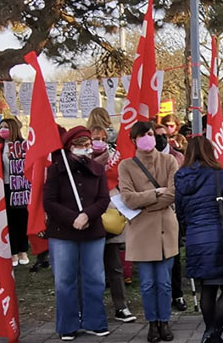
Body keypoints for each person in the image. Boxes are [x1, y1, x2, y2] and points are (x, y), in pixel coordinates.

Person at [174, 136, 223, 343]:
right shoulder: (219, 175)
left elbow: (180, 212)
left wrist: (189, 231)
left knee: (208, 286)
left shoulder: (180, 177)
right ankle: (212, 333)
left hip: (195, 239)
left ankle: (211, 335)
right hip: (220, 237)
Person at [43, 126, 111, 340]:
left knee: (95, 279)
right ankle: (67, 325)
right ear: (69, 147)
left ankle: (95, 321)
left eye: (88, 145)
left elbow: (103, 199)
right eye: (81, 145)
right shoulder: (56, 170)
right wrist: (72, 218)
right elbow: (49, 202)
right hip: (63, 233)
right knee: (65, 280)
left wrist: (86, 216)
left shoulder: (97, 170)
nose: (86, 149)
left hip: (92, 233)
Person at [119, 121, 179, 342]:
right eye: (142, 135)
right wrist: (156, 193)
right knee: (147, 283)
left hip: (166, 230)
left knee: (164, 282)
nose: (148, 138)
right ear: (134, 140)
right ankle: (152, 323)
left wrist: (144, 202)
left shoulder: (169, 160)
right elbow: (127, 198)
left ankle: (164, 321)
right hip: (141, 233)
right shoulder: (126, 166)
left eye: (151, 134)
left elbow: (173, 193)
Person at [90, 126, 137, 323]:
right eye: (95, 138)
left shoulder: (114, 158)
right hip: (90, 218)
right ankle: (93, 308)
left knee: (114, 266)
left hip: (111, 214)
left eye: (103, 138)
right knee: (91, 269)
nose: (99, 141)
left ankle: (121, 306)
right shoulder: (79, 159)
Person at [0, 118, 30, 266]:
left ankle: (23, 250)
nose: (2, 130)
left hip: (20, 188)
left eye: (6, 127)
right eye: (1, 127)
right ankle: (13, 253)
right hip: (3, 188)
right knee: (9, 221)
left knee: (22, 219)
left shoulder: (23, 146)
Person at [155, 124, 187, 312]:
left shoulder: (178, 157)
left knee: (174, 256)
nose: (160, 139)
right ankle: (160, 295)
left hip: (173, 213)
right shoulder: (143, 160)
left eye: (163, 136)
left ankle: (177, 294)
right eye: (156, 135)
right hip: (150, 216)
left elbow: (178, 188)